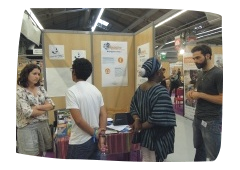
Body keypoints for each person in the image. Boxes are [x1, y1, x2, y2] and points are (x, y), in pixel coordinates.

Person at [185, 44, 230, 170]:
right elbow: (202, 93)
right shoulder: (201, 74)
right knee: (199, 147)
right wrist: (193, 94)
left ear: (208, 56)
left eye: (197, 58)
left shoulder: (219, 74)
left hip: (212, 121)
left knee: (215, 155)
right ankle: (197, 167)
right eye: (193, 58)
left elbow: (225, 99)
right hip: (198, 117)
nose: (195, 61)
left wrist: (200, 94)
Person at [130, 57, 176, 170]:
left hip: (144, 135)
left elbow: (133, 107)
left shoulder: (140, 89)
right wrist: (141, 125)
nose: (163, 73)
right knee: (156, 163)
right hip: (158, 136)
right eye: (162, 70)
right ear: (156, 72)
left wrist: (137, 122)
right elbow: (157, 118)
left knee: (146, 160)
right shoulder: (160, 91)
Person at [65, 58, 107, 170]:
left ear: (74, 72)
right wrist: (100, 135)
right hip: (95, 141)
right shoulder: (96, 90)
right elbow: (103, 114)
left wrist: (95, 133)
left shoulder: (71, 91)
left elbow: (78, 120)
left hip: (79, 141)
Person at [16, 64, 55, 170]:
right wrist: (44, 109)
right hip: (27, 128)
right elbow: (28, 112)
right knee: (31, 161)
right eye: (34, 73)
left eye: (38, 74)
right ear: (26, 74)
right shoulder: (20, 91)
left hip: (42, 126)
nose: (37, 76)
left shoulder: (41, 88)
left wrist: (37, 107)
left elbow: (52, 105)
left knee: (40, 156)